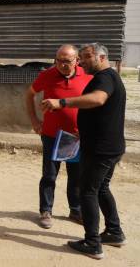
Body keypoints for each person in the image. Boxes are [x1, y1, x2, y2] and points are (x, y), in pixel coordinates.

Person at [41, 43, 127, 260]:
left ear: (101, 57)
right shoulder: (109, 76)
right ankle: (114, 232)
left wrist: (62, 102)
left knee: (88, 191)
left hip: (100, 149)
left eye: (86, 57)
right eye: (80, 57)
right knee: (102, 188)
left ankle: (92, 243)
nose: (82, 61)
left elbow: (98, 99)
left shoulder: (104, 78)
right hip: (108, 146)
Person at [25, 44, 92, 229]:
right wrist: (34, 121)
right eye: (58, 60)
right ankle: (46, 211)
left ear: (77, 60)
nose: (62, 64)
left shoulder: (88, 76)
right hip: (52, 136)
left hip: (77, 136)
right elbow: (29, 94)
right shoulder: (47, 75)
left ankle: (76, 209)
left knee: (76, 176)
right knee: (49, 175)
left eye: (67, 61)